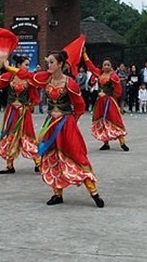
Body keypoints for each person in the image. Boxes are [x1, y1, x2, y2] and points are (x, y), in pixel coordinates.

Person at [12, 51, 104, 207]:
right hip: (50, 123)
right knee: (51, 156)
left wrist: (71, 121)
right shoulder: (45, 79)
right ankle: (57, 193)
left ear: (60, 64)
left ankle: (93, 192)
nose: (49, 65)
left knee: (76, 155)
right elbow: (26, 75)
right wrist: (7, 66)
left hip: (66, 124)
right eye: (48, 62)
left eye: (52, 62)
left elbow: (80, 106)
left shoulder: (70, 83)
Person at [83, 51, 129, 151]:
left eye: (108, 65)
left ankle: (122, 142)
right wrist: (84, 54)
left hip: (109, 101)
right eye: (105, 65)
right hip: (100, 102)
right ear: (102, 66)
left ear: (111, 66)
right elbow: (90, 66)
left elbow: (118, 90)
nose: (106, 66)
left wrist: (112, 98)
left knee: (114, 120)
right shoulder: (99, 73)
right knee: (102, 121)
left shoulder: (113, 76)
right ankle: (106, 143)